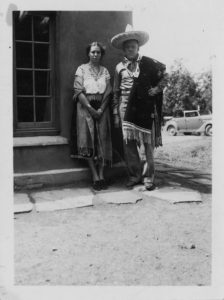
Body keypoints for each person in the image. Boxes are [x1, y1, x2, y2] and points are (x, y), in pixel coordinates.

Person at [111, 25, 167, 191]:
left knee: (147, 143)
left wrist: (156, 89)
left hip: (144, 106)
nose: (130, 49)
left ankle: (148, 177)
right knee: (129, 144)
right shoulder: (119, 67)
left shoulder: (148, 63)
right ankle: (134, 176)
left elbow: (165, 77)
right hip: (125, 106)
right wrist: (115, 113)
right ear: (123, 49)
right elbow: (115, 91)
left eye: (133, 47)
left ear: (138, 47)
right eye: (127, 47)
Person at [71, 42, 112, 191]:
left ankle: (102, 174)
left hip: (102, 108)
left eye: (98, 52)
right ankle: (94, 175)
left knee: (102, 138)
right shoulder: (81, 69)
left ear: (101, 54)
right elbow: (77, 90)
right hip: (85, 107)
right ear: (88, 53)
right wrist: (90, 108)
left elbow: (108, 91)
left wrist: (101, 109)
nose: (95, 54)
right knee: (87, 138)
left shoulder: (105, 70)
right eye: (93, 52)